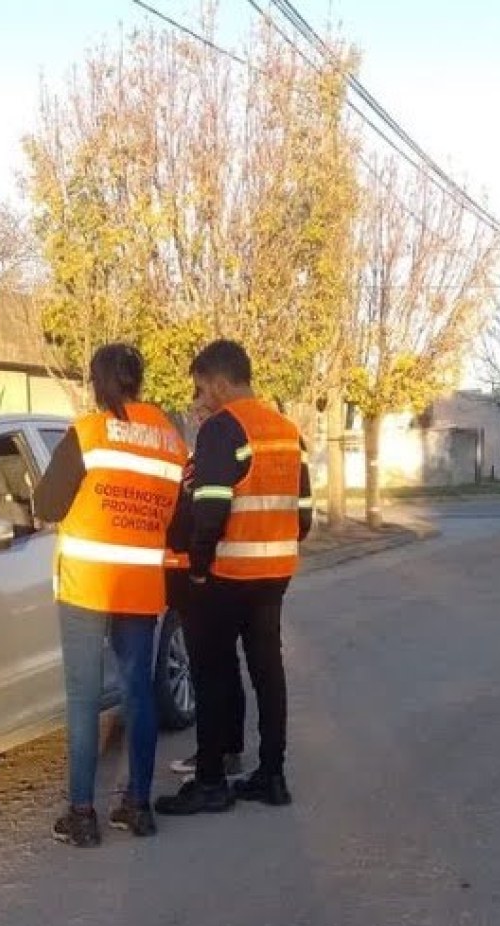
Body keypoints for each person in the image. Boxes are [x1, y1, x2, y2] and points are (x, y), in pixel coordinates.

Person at [34, 343, 186, 848]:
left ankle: (82, 814)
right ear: (138, 381)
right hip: (140, 584)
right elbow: (178, 518)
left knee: (83, 697)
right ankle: (138, 807)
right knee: (138, 691)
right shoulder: (170, 440)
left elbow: (48, 505)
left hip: (86, 583)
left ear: (97, 383)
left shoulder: (88, 433)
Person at [155, 339, 312, 817]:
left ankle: (210, 781)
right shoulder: (289, 431)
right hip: (275, 573)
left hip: (228, 575)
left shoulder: (223, 428)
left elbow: (210, 511)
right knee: (268, 672)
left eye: (202, 388)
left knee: (213, 674)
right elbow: (304, 514)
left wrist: (199, 568)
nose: (201, 398)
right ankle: (271, 775)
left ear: (220, 383)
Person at [165, 396, 246, 780]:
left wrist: (196, 565)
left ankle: (215, 756)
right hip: (193, 573)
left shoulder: (210, 458)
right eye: (193, 411)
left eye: (200, 409)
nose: (195, 416)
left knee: (209, 669)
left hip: (196, 573)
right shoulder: (193, 461)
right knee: (220, 666)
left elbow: (200, 516)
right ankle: (226, 752)